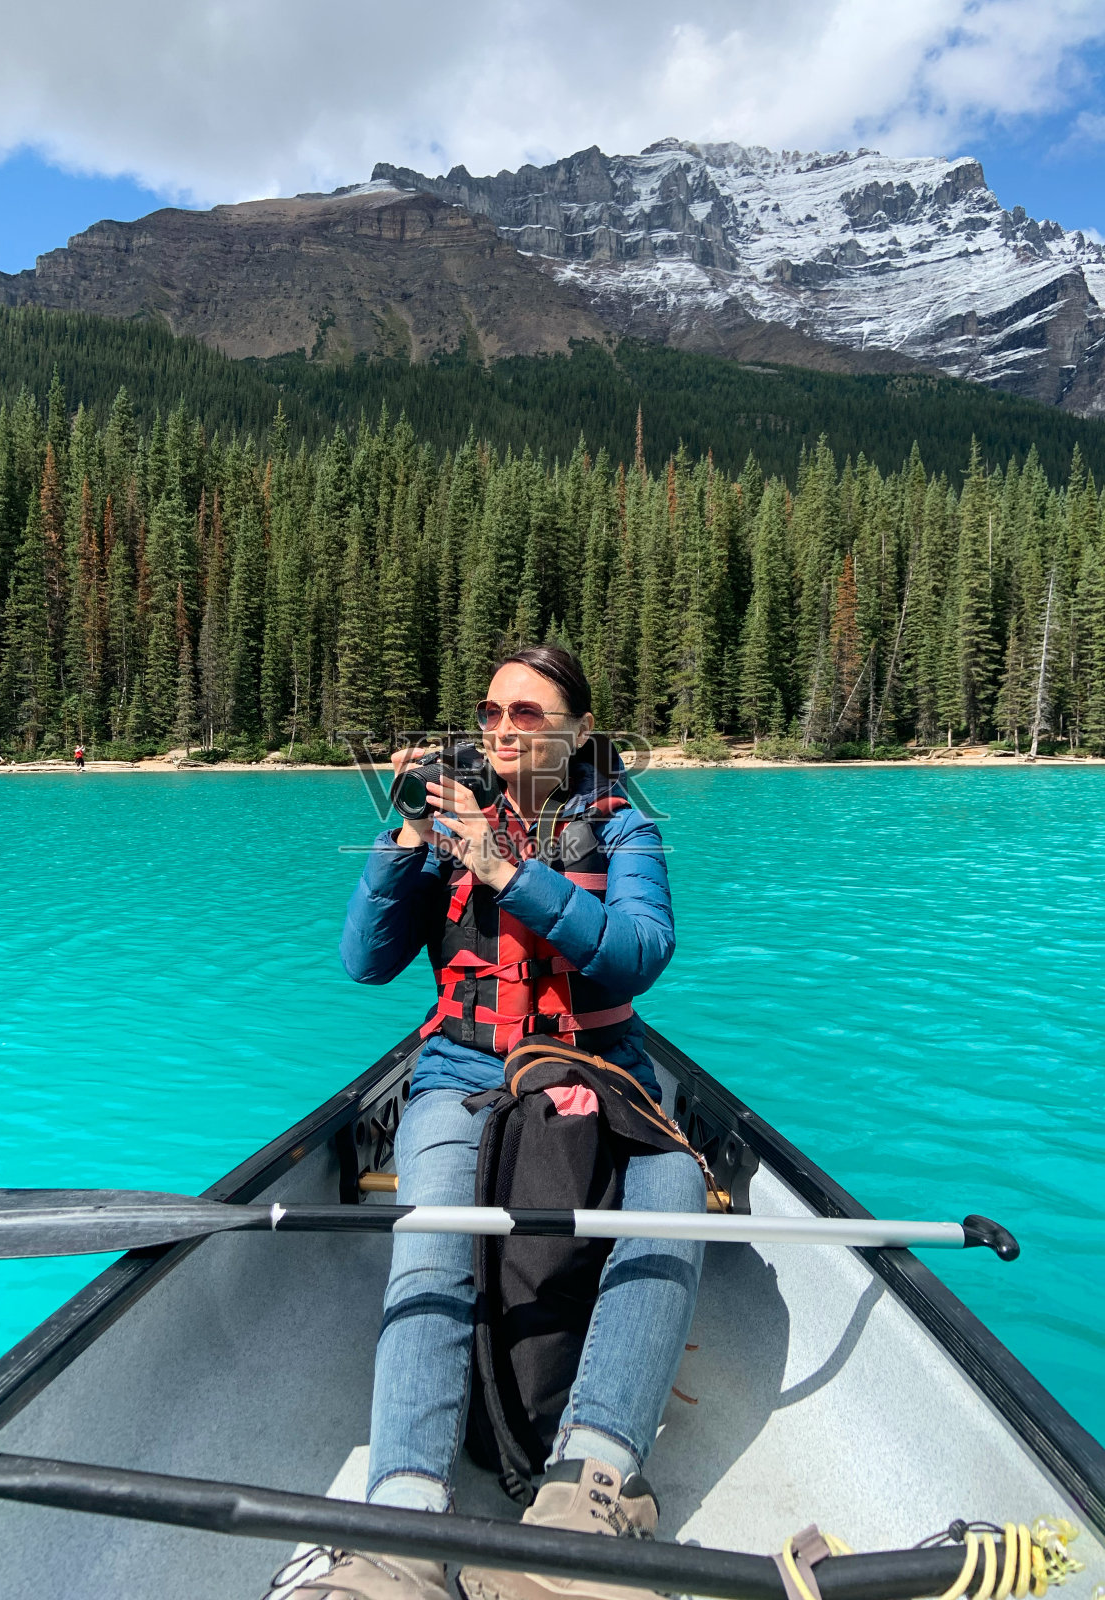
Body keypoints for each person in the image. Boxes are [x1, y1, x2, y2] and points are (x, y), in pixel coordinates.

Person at [273, 646, 705, 1600]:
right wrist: (407, 842)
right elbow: (363, 962)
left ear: (580, 731)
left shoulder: (624, 829)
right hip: (465, 1070)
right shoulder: (446, 820)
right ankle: (403, 1521)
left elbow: (637, 954)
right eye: (491, 713)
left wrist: (508, 870)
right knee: (433, 1233)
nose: (504, 730)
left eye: (530, 713)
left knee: (675, 1194)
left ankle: (588, 1486)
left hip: (604, 1069)